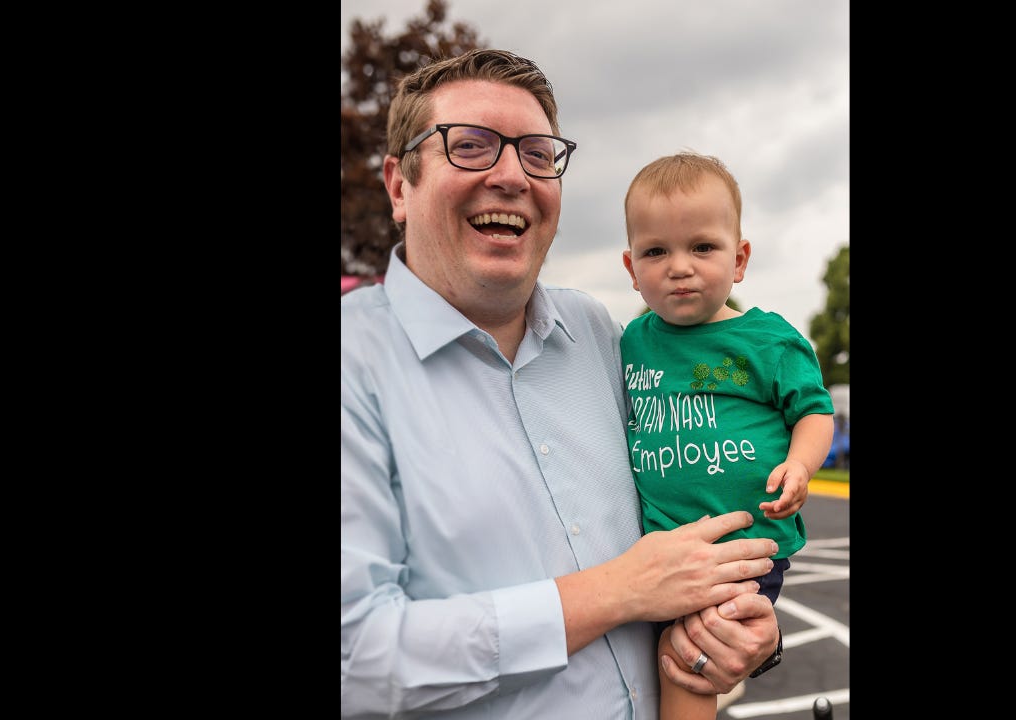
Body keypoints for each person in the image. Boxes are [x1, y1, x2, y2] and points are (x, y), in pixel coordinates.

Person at [341, 50, 783, 719]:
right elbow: (358, 659)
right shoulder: (354, 361)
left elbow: (705, 493)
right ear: (400, 185)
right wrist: (618, 592)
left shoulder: (602, 334)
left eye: (539, 154)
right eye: (471, 147)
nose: (513, 175)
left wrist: (745, 631)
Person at [619, 152, 837, 719]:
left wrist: (801, 465)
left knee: (696, 661)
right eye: (656, 251)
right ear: (631, 268)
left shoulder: (766, 341)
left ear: (739, 259)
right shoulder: (631, 343)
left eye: (702, 247)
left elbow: (815, 413)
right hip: (663, 551)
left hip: (742, 553)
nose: (679, 266)